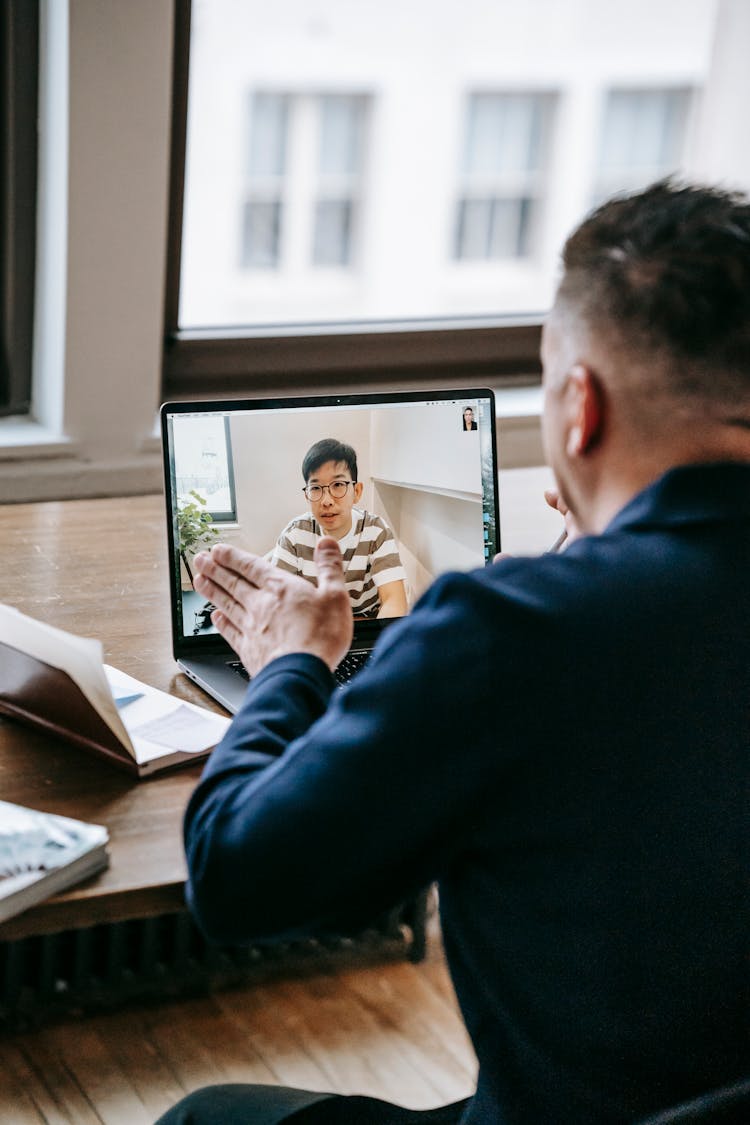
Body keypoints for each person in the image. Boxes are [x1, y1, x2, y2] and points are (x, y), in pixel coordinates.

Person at [155, 181, 750, 1125]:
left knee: (206, 1115)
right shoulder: (521, 626)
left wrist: (288, 666)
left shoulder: (507, 633)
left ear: (579, 409)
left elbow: (237, 877)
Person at [271, 438, 408, 619]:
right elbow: (278, 605)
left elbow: (394, 601)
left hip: (364, 626)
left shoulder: (376, 531)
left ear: (357, 492)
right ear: (307, 495)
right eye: (316, 488)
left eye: (338, 485)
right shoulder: (294, 536)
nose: (326, 501)